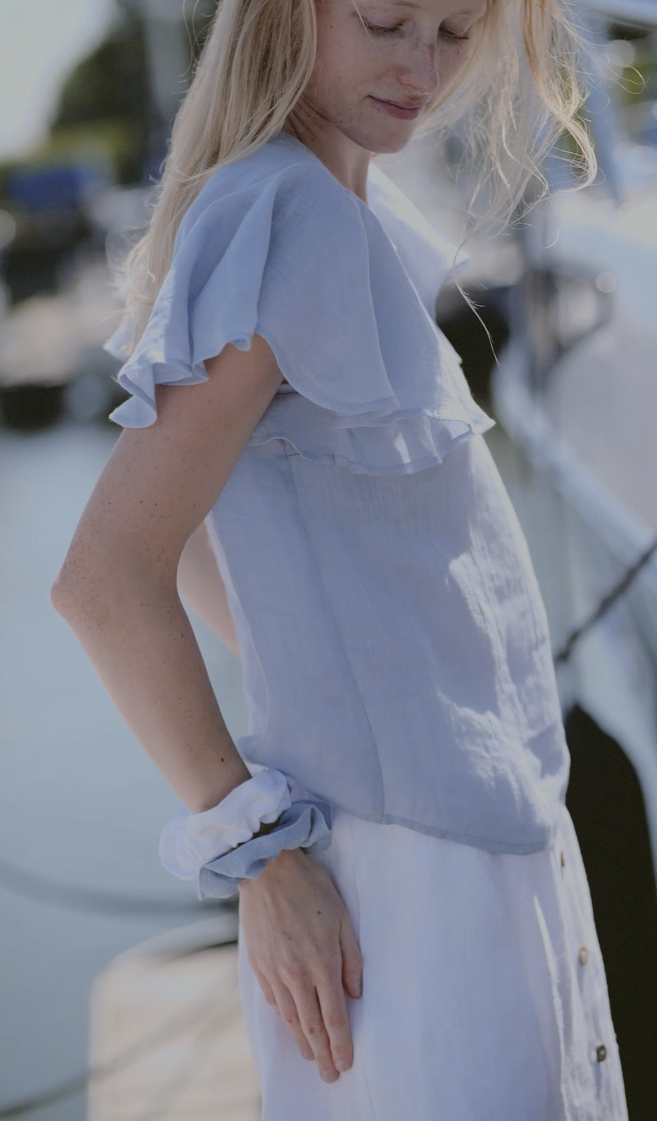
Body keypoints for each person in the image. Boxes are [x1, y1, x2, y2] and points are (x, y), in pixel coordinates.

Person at [51, 0, 628, 1117]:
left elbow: (204, 559)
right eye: (384, 21)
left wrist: (330, 675)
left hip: (461, 848)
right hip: (422, 889)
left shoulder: (340, 205)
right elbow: (107, 580)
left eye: (457, 34)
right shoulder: (286, 212)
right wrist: (258, 854)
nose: (422, 66)